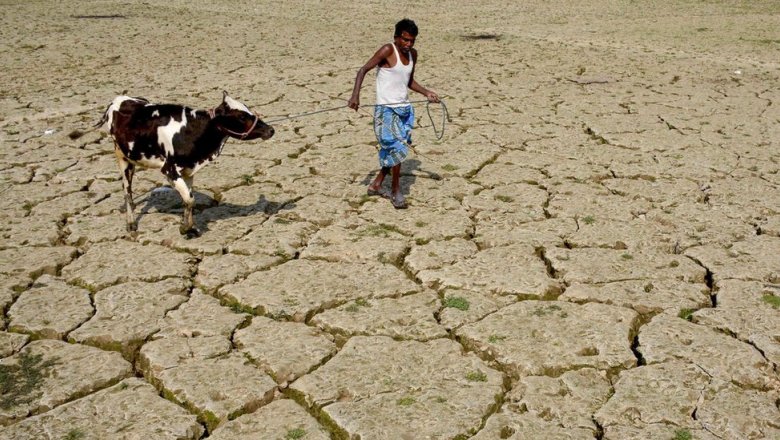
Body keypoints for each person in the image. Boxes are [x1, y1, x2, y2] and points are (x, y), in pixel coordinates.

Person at [348, 18, 439, 209]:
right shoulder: (387, 50)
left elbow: (409, 81)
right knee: (397, 150)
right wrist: (355, 96)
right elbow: (363, 70)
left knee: (397, 149)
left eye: (412, 40)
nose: (408, 44)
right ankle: (397, 191)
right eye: (405, 40)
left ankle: (377, 184)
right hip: (386, 110)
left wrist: (427, 92)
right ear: (396, 37)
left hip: (405, 109)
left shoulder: (413, 54)